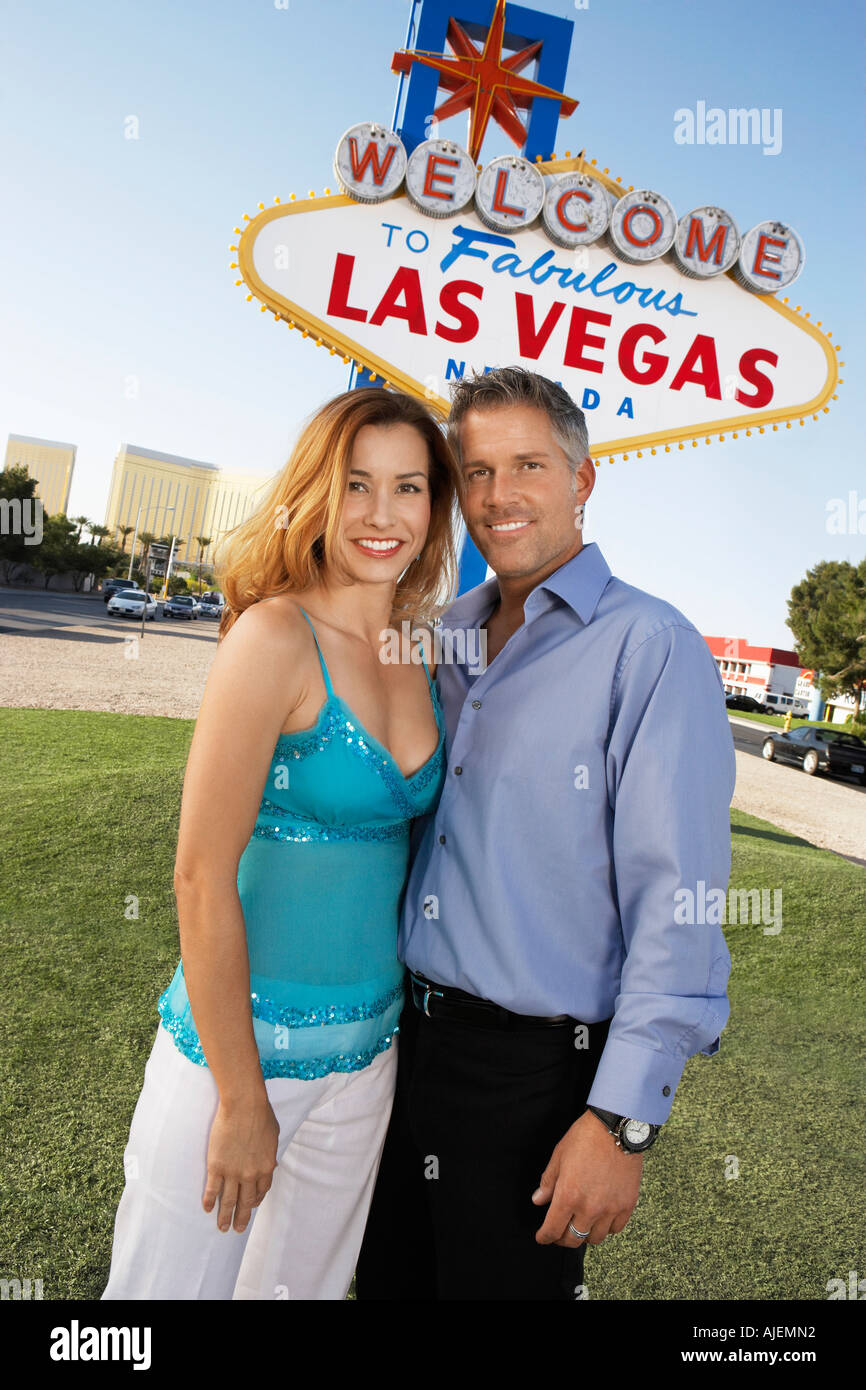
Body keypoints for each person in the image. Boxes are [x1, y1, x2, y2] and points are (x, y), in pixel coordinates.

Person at [355, 366, 737, 1301]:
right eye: (476, 471)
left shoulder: (651, 646)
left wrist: (620, 1123)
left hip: (536, 1078)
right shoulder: (442, 635)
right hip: (401, 1051)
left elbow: (677, 900)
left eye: (527, 464)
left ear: (582, 478)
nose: (498, 495)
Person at [101, 387, 460, 1300]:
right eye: (358, 486)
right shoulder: (272, 636)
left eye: (410, 488)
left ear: (436, 505)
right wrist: (240, 1095)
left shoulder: (420, 652)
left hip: (368, 1059)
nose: (384, 516)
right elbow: (197, 875)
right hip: (236, 1054)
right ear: (316, 493)